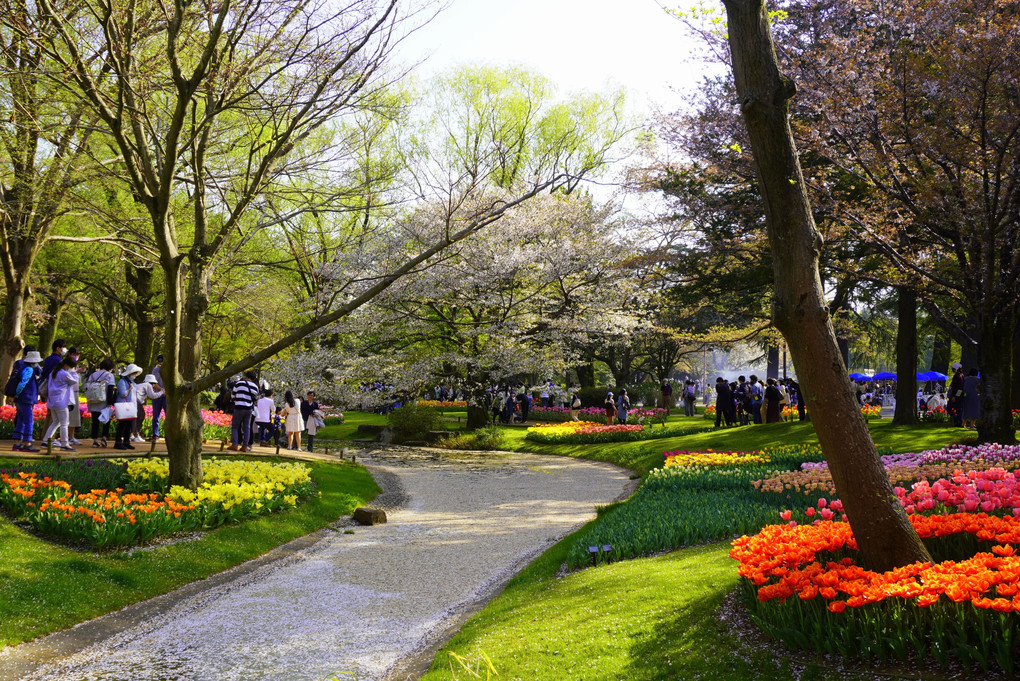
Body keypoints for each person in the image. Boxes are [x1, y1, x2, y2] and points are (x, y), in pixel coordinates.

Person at [41, 356, 81, 451]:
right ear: (66, 365)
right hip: (61, 402)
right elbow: (74, 381)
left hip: (52, 401)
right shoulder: (64, 373)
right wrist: (74, 372)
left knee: (56, 422)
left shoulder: (54, 372)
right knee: (64, 423)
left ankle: (45, 441)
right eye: (71, 367)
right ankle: (64, 444)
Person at [11, 348, 43, 452]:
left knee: (20, 419)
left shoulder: (21, 367)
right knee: (29, 420)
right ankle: (27, 443)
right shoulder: (29, 369)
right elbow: (22, 384)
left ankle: (17, 442)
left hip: (21, 399)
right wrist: (17, 393)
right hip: (26, 398)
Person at [85, 358, 117, 448]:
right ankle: (104, 438)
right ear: (110, 367)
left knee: (95, 421)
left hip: (93, 399)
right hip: (104, 399)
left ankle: (95, 440)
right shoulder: (109, 375)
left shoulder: (92, 375)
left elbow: (87, 387)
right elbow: (110, 389)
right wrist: (110, 402)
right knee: (106, 420)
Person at [228, 371, 260, 451]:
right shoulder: (255, 387)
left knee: (235, 426)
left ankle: (235, 444)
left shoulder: (239, 383)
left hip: (239, 407)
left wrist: (235, 400)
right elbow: (256, 399)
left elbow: (233, 395)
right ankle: (245, 446)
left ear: (246, 377)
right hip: (249, 409)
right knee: (247, 428)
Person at [113, 364, 143, 450]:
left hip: (131, 406)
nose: (135, 375)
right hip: (124, 406)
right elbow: (123, 394)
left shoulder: (132, 382)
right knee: (122, 425)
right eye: (134, 373)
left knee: (129, 425)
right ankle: (118, 442)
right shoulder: (122, 382)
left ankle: (126, 442)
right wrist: (129, 389)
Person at [134, 374, 163, 441]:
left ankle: (133, 434)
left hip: (133, 401)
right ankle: (136, 435)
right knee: (141, 417)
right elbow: (152, 395)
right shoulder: (148, 385)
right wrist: (162, 392)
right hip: (137, 401)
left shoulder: (141, 385)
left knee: (136, 418)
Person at [151, 355, 166, 441]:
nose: (160, 364)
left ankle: (168, 435)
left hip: (166, 397)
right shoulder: (155, 370)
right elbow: (153, 383)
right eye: (159, 363)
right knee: (156, 416)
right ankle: (155, 435)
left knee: (169, 415)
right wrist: (162, 390)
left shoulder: (171, 370)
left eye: (162, 362)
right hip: (157, 395)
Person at [947, 363, 965, 427]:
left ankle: (956, 419)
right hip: (960, 395)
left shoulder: (957, 376)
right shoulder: (962, 375)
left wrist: (955, 396)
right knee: (959, 409)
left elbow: (956, 387)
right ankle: (959, 422)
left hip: (955, 395)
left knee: (949, 408)